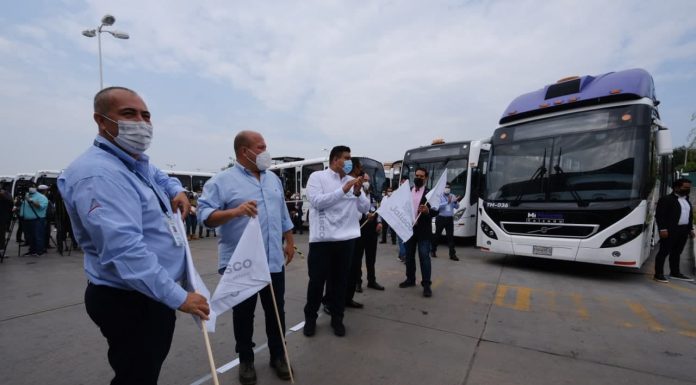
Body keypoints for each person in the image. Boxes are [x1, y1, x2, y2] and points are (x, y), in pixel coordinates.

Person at [58, 86, 210, 385]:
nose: (141, 123)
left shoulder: (133, 161)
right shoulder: (99, 175)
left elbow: (159, 175)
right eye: (129, 114)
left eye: (146, 115)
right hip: (130, 300)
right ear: (101, 121)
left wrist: (176, 191)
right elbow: (125, 252)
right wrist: (179, 297)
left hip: (148, 295)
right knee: (136, 376)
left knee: (144, 370)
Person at [197, 130, 295, 385]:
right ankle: (246, 360)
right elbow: (204, 216)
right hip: (242, 262)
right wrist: (235, 212)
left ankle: (278, 355)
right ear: (244, 151)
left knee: (276, 310)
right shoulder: (222, 181)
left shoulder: (273, 179)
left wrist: (290, 241)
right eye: (261, 147)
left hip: (273, 259)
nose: (266, 152)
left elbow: (282, 212)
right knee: (244, 314)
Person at [303, 145, 369, 337]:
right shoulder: (318, 178)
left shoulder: (352, 181)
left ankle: (337, 319)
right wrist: (343, 190)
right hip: (322, 240)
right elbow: (316, 202)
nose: (349, 162)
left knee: (340, 283)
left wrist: (357, 192)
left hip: (346, 240)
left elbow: (365, 207)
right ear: (335, 159)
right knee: (317, 282)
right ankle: (310, 319)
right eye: (346, 158)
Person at [399, 167, 439, 297]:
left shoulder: (430, 194)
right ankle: (410, 279)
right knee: (409, 257)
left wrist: (428, 211)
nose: (418, 178)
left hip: (423, 231)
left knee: (424, 257)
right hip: (409, 230)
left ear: (426, 178)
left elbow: (436, 210)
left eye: (421, 176)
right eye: (417, 175)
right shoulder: (408, 191)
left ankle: (426, 284)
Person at [654, 178, 695, 283]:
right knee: (663, 252)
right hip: (670, 230)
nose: (687, 189)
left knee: (677, 253)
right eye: (685, 187)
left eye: (689, 188)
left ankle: (675, 273)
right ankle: (658, 274)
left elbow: (689, 216)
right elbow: (660, 216)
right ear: (677, 187)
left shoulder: (686, 200)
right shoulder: (666, 199)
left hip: (683, 231)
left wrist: (690, 229)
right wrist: (662, 229)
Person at [355, 172, 385, 291]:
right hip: (359, 230)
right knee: (357, 258)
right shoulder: (356, 195)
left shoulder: (374, 196)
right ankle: (357, 282)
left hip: (372, 231)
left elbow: (378, 211)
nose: (366, 183)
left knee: (371, 258)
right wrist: (366, 214)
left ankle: (371, 281)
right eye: (364, 180)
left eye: (368, 180)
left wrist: (379, 222)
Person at [431, 182, 460, 261]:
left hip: (449, 219)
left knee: (450, 237)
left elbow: (457, 207)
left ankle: (452, 254)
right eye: (446, 187)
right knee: (437, 235)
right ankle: (433, 250)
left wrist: (455, 202)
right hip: (441, 218)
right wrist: (447, 202)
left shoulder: (452, 195)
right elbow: (437, 206)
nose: (447, 189)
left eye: (448, 187)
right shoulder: (439, 196)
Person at [19, 183, 48, 256]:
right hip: (26, 219)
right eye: (29, 187)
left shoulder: (41, 197)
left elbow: (41, 206)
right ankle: (32, 250)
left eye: (32, 187)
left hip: (37, 219)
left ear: (36, 188)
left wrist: (31, 200)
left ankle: (39, 251)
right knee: (30, 236)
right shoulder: (26, 196)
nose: (30, 188)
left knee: (38, 236)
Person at [0, 187, 12, 257]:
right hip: (2, 219)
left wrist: (3, 194)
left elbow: (10, 201)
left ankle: (1, 251)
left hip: (2, 219)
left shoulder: (4, 196)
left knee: (1, 236)